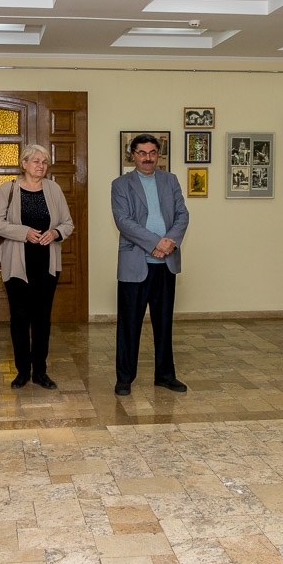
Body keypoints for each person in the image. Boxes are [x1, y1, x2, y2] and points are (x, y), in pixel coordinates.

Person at [0, 144, 75, 389]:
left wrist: (55, 233)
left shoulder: (53, 189)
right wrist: (24, 232)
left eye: (44, 162)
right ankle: (22, 372)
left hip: (47, 266)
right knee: (19, 319)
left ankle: (40, 372)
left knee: (42, 320)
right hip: (17, 265)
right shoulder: (8, 189)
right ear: (24, 164)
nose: (41, 165)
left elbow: (68, 224)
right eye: (36, 161)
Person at [112, 133, 189, 396]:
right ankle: (125, 378)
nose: (148, 158)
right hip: (135, 264)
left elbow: (182, 215)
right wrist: (156, 243)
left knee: (164, 323)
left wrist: (168, 244)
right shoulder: (121, 184)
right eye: (142, 153)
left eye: (152, 153)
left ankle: (165, 376)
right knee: (129, 324)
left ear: (158, 155)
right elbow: (123, 221)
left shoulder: (170, 180)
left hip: (166, 264)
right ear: (132, 155)